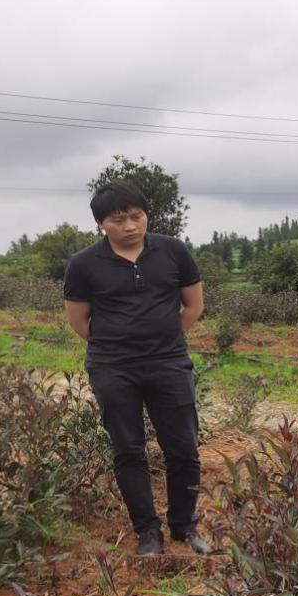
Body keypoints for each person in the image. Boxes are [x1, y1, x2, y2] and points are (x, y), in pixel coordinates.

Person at [63, 181, 209, 556]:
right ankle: (147, 532)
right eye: (118, 220)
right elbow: (79, 321)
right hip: (113, 369)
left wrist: (165, 339)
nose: (130, 226)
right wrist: (118, 345)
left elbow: (193, 305)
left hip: (169, 364)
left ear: (146, 215)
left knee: (183, 448)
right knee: (128, 450)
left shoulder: (173, 251)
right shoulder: (83, 264)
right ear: (101, 224)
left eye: (136, 216)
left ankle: (184, 526)